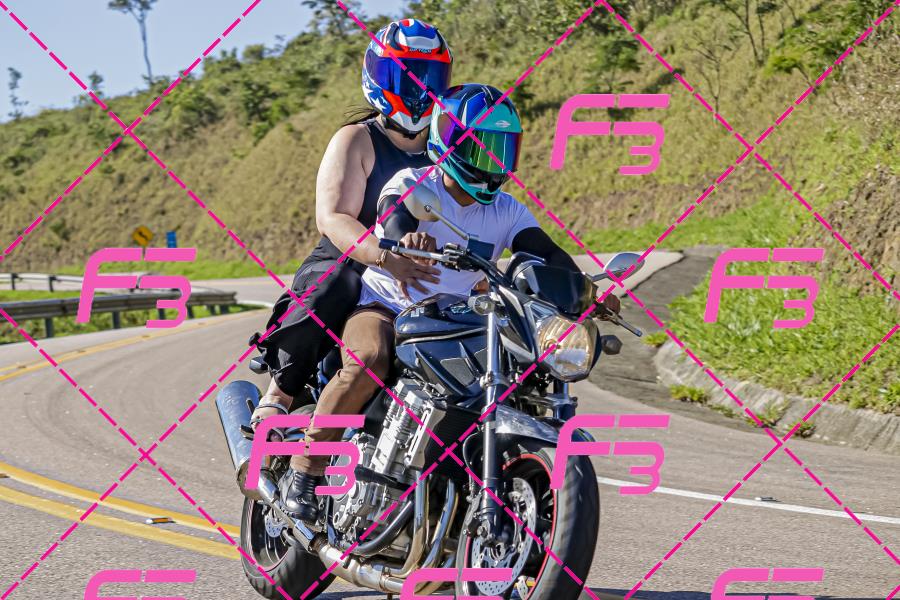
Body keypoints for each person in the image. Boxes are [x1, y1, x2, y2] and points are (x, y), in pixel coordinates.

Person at [284, 84, 620, 521]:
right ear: (450, 141)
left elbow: (546, 253)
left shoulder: (508, 211)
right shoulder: (415, 184)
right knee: (369, 358)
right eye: (481, 147)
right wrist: (406, 240)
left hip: (458, 320)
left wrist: (587, 292)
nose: (492, 161)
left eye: (502, 149)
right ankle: (306, 470)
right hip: (387, 307)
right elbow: (395, 215)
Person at [248, 19, 453, 519]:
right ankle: (280, 393)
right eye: (408, 76)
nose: (420, 88)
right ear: (379, 78)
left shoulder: (448, 142)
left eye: (429, 76)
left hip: (425, 273)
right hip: (354, 256)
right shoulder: (356, 139)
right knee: (336, 282)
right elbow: (334, 217)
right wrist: (383, 256)